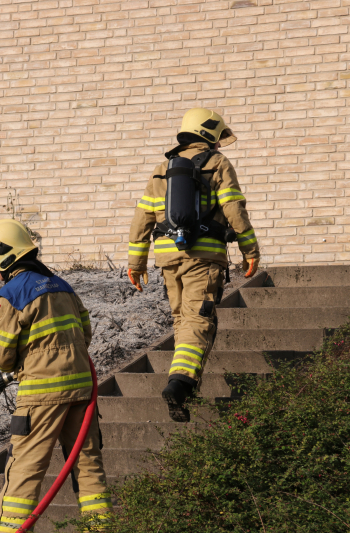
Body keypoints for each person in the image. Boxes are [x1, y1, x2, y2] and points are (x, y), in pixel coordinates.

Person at [0, 219, 111, 532]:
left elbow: (2, 356)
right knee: (89, 470)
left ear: (4, 257)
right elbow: (84, 333)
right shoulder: (62, 285)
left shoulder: (12, 293)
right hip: (81, 391)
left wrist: (30, 362)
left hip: (41, 397)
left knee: (24, 474)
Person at [127, 108, 260, 422]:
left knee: (181, 320)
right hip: (204, 257)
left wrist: (137, 262)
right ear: (211, 136)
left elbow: (142, 218)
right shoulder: (218, 163)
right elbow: (233, 208)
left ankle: (184, 381)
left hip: (168, 259)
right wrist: (249, 249)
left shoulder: (162, 169)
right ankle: (181, 383)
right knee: (198, 321)